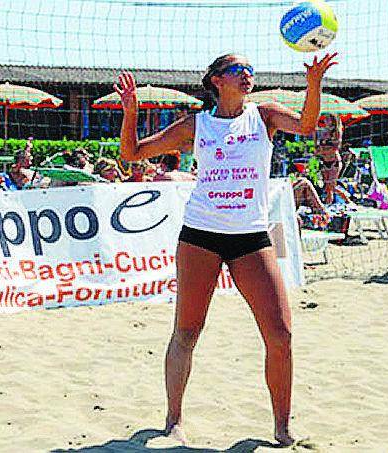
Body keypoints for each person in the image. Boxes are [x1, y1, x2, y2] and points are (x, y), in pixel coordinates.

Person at [115, 52, 338, 446]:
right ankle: (173, 420)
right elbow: (132, 154)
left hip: (250, 236)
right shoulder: (196, 125)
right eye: (238, 70)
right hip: (201, 234)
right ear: (217, 80)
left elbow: (306, 126)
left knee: (281, 334)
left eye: (251, 70)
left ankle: (282, 426)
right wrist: (130, 110)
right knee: (187, 331)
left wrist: (314, 83)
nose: (248, 75)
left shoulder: (264, 115)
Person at [315, 114, 343, 204]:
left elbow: (335, 148)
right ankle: (328, 204)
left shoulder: (336, 132)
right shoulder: (323, 132)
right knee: (327, 187)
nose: (325, 121)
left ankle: (349, 201)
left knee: (332, 187)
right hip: (325, 161)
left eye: (328, 119)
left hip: (334, 161)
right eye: (325, 119)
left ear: (333, 121)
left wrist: (323, 150)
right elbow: (317, 148)